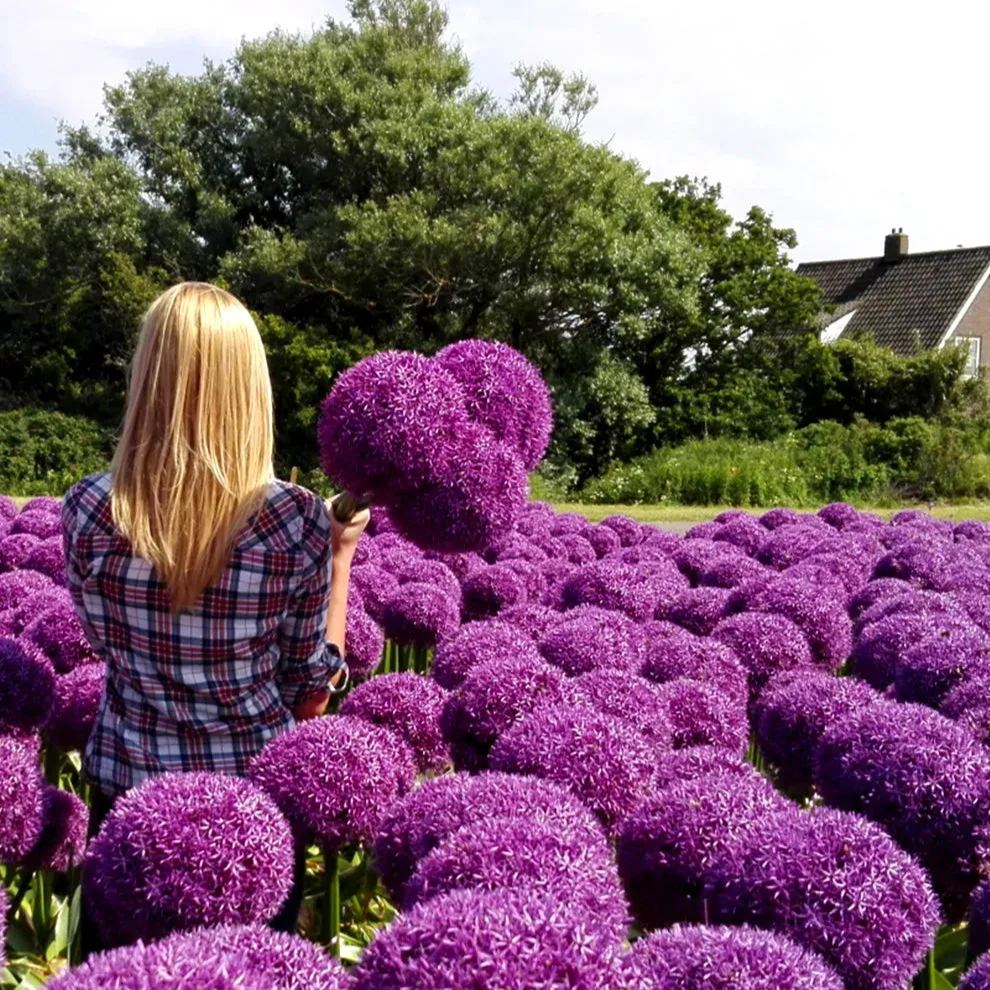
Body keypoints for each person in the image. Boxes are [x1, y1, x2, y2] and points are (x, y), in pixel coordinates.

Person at [61, 281, 367, 936]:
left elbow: (100, 644)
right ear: (249, 389)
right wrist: (341, 558)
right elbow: (311, 693)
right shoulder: (296, 519)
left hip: (129, 802)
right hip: (250, 813)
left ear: (146, 379)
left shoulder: (88, 507)